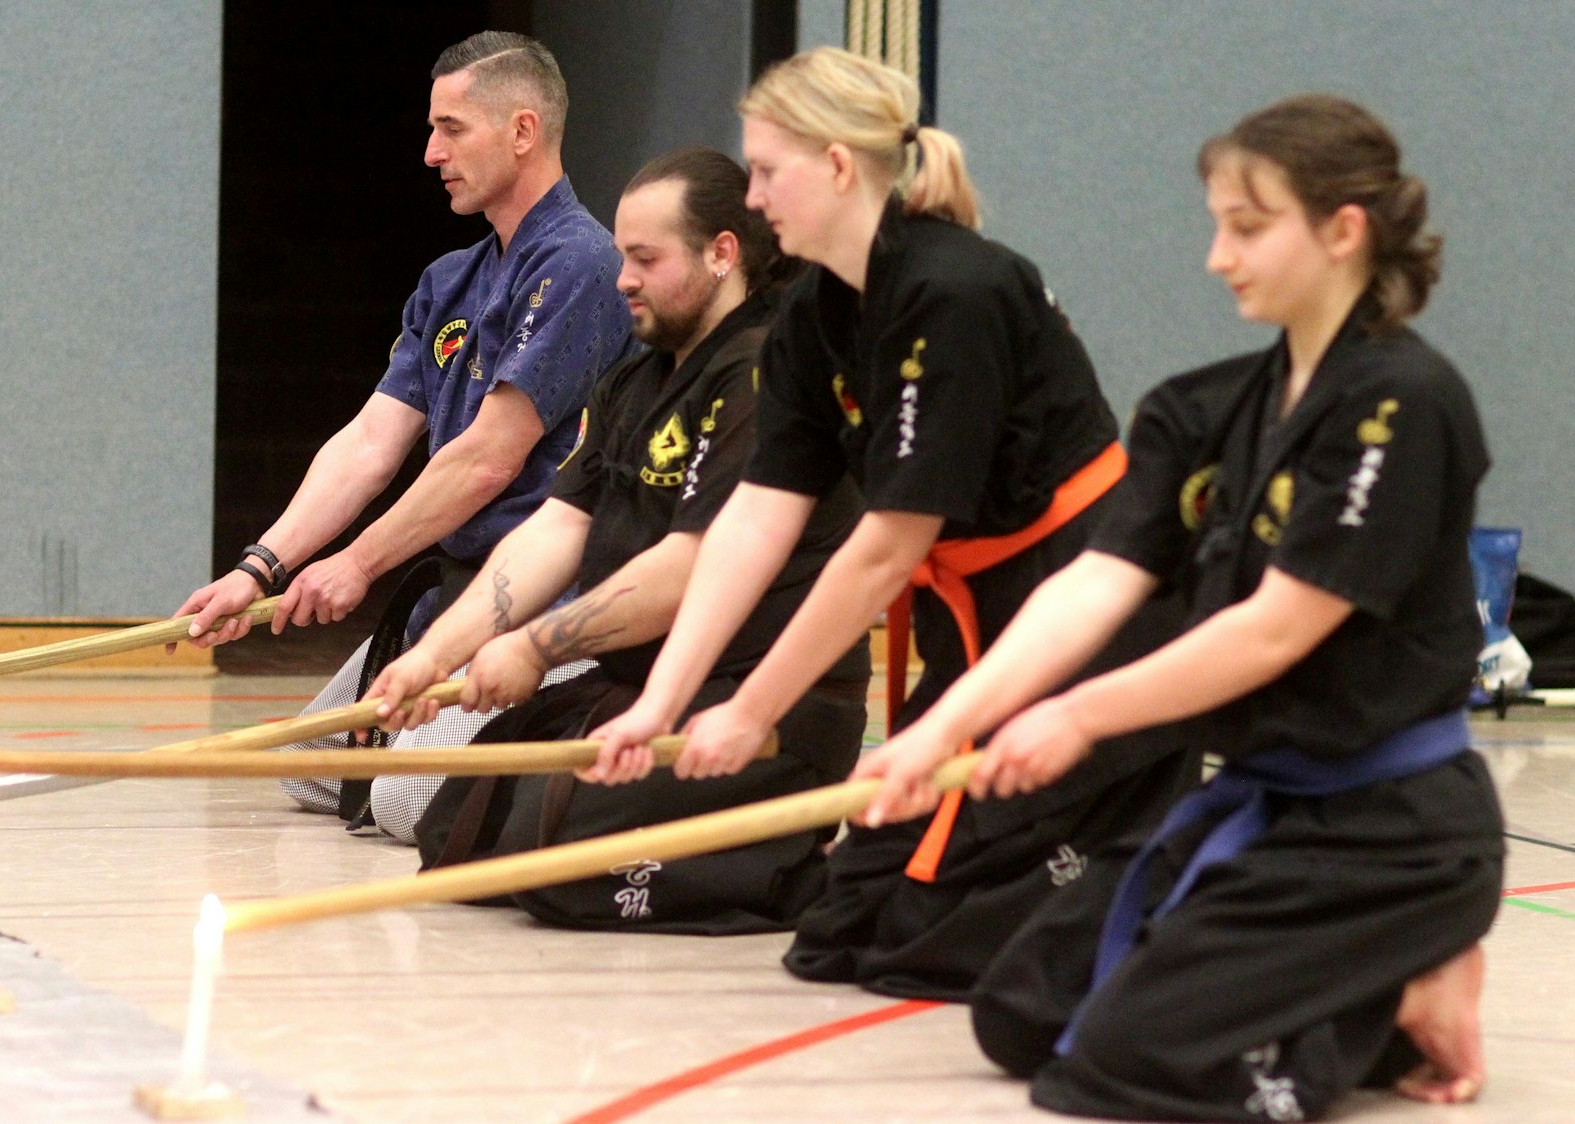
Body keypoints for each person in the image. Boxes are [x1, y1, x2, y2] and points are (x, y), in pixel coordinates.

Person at [856, 94, 1503, 1118]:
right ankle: (1372, 982)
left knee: (1112, 1065)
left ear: (1344, 230)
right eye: (1218, 225)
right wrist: (940, 728)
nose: (1217, 256)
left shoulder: (1400, 405)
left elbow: (1277, 627)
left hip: (1389, 828)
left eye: (1248, 228)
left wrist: (1078, 714)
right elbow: (1094, 584)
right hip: (1261, 794)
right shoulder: (1200, 408)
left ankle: (1400, 967)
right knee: (1018, 1014)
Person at [588, 47, 1198, 994]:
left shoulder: (957, 293)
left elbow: (885, 551)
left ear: (838, 166)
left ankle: (1190, 892)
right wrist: (668, 700)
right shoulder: (808, 318)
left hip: (1085, 613)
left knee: (926, 943)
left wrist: (753, 712)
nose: (753, 199)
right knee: (841, 937)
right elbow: (755, 517)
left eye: (767, 171)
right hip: (973, 631)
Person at [363, 147, 869, 932]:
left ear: (722, 255)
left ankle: (785, 868)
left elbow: (691, 565)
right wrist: (434, 656)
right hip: (638, 693)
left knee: (556, 873)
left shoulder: (766, 378)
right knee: (458, 838)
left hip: (754, 707)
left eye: (643, 258)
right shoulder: (636, 382)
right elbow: (558, 529)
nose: (621, 277)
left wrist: (535, 649)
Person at [174, 31, 632, 836]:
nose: (430, 152)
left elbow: (489, 461)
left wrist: (357, 562)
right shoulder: (448, 279)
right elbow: (368, 442)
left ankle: (587, 721)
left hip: (539, 595)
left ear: (522, 131)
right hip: (455, 590)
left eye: (451, 128)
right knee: (312, 775)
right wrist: (262, 567)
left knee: (402, 803)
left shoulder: (581, 264)